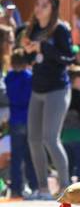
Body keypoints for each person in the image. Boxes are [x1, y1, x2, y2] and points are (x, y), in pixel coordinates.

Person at [20, 0, 73, 198]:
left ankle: (65, 186)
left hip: (57, 89)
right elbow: (30, 62)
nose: (39, 9)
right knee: (33, 139)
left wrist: (44, 48)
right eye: (37, 4)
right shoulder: (32, 29)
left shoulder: (60, 29)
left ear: (53, 8)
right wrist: (28, 53)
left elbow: (69, 58)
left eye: (44, 5)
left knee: (50, 138)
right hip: (38, 89)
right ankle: (42, 188)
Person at [4, 49, 38, 197]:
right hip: (29, 118)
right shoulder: (30, 77)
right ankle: (34, 185)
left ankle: (16, 188)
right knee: (30, 155)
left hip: (14, 119)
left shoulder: (8, 78)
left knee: (16, 157)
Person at [61, 65, 80, 183]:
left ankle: (67, 187)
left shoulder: (64, 96)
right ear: (78, 79)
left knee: (68, 165)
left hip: (65, 137)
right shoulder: (79, 96)